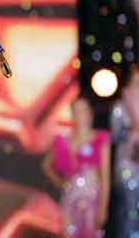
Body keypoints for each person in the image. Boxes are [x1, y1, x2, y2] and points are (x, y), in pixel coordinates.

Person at [42, 96, 110, 238]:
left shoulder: (100, 139)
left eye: (84, 110)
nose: (82, 114)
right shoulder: (64, 141)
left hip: (92, 199)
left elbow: (105, 178)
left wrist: (103, 209)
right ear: (73, 114)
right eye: (78, 110)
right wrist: (61, 183)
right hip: (70, 200)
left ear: (90, 113)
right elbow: (46, 165)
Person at [114, 68, 139, 237]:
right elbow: (117, 138)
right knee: (129, 212)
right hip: (128, 168)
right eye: (136, 83)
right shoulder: (120, 109)